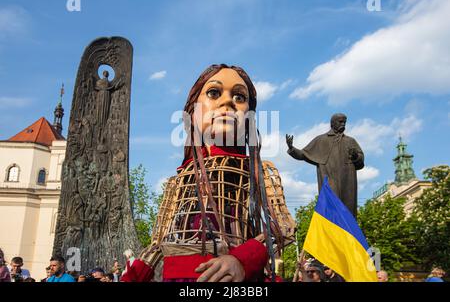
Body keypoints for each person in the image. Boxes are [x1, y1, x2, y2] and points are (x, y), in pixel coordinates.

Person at [136, 64, 294, 282]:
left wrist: (242, 259)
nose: (228, 102)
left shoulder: (260, 172)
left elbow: (283, 228)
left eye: (239, 97)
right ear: (192, 112)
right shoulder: (178, 180)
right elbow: (157, 241)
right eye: (213, 93)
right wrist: (135, 273)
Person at [286, 113, 364, 217]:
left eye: (344, 122)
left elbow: (360, 158)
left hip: (347, 182)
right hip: (330, 179)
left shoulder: (350, 141)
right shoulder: (321, 140)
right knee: (331, 209)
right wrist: (292, 148)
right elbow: (303, 154)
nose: (343, 124)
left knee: (348, 212)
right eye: (340, 122)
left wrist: (355, 156)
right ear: (332, 123)